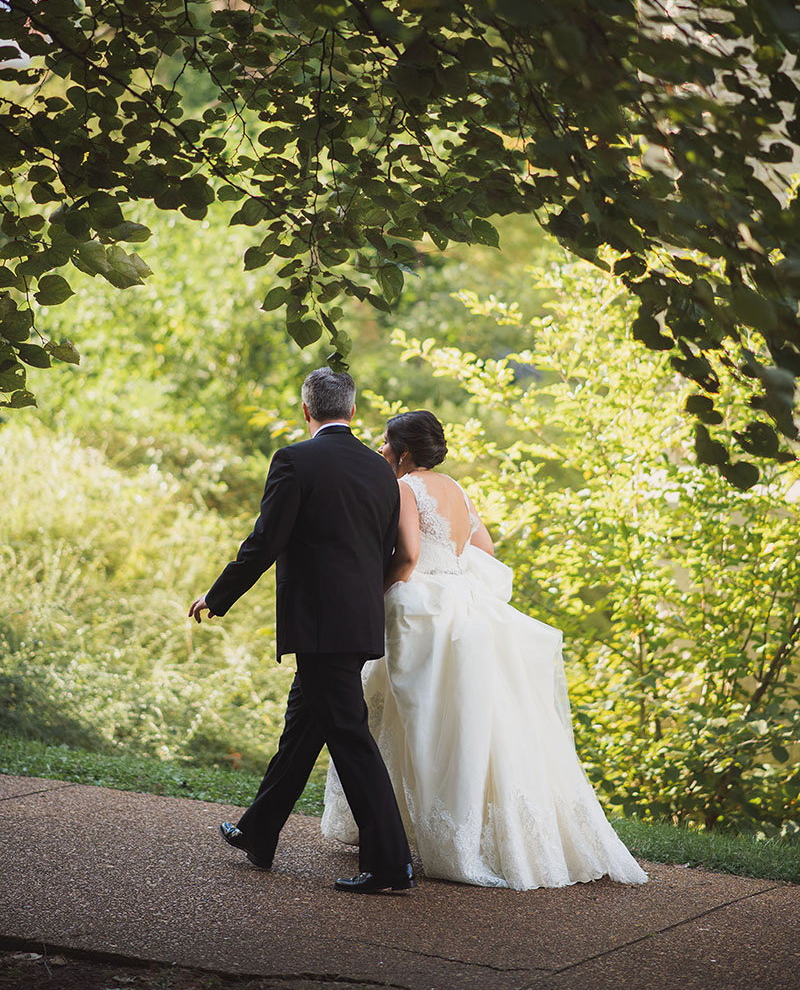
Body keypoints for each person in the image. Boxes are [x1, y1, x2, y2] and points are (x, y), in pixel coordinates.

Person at [321, 409, 648, 891]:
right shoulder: (455, 487)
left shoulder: (405, 487)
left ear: (405, 453)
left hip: (421, 607)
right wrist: (450, 571)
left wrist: (376, 588)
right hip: (464, 606)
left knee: (415, 718)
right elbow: (485, 550)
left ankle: (405, 830)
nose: (381, 451)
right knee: (467, 723)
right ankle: (428, 827)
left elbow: (408, 558)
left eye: (386, 445)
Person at [188, 368, 414, 894]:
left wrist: (216, 597)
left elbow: (265, 540)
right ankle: (257, 833)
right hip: (358, 622)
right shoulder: (382, 472)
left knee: (350, 739)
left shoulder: (294, 459)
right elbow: (383, 549)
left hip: (319, 625)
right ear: (353, 412)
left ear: (305, 410)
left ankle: (390, 864)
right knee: (302, 729)